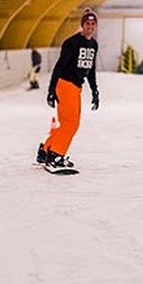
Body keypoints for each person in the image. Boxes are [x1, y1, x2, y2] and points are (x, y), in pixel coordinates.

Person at [36, 9, 100, 172]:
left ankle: (46, 150)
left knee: (68, 123)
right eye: (87, 24)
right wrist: (51, 90)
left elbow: (90, 69)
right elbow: (59, 66)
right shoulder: (72, 43)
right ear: (82, 25)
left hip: (77, 87)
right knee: (71, 123)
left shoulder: (93, 45)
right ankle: (56, 155)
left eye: (93, 24)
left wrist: (95, 91)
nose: (90, 27)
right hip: (65, 84)